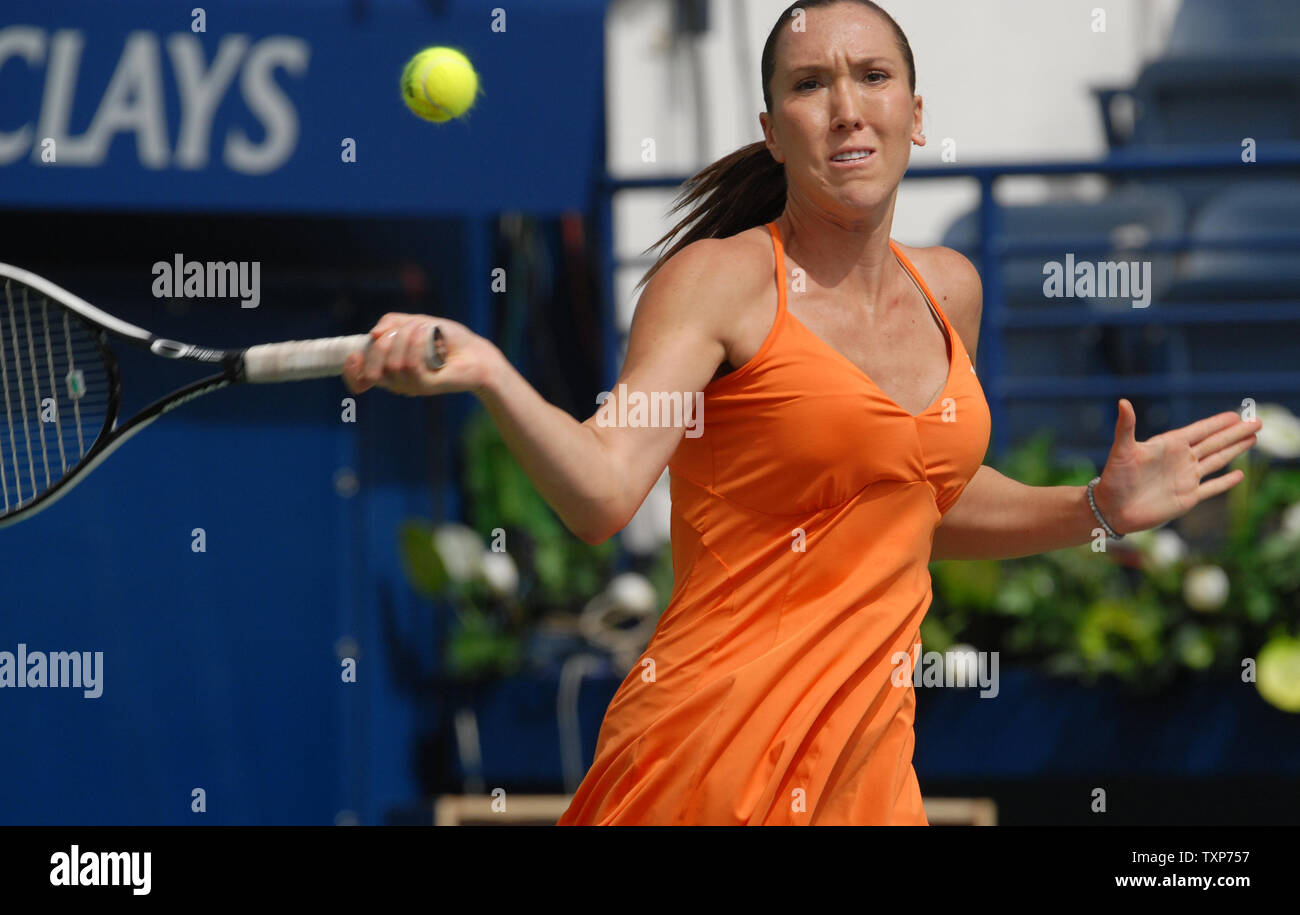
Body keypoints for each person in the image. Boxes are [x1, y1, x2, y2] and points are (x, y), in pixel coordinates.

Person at [342, 0, 1262, 825]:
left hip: (870, 780)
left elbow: (917, 497)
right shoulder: (716, 283)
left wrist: (1094, 507)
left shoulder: (953, 289)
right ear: (773, 131)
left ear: (915, 111)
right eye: (810, 84)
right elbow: (604, 491)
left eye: (874, 77)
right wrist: (494, 372)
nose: (848, 107)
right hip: (705, 764)